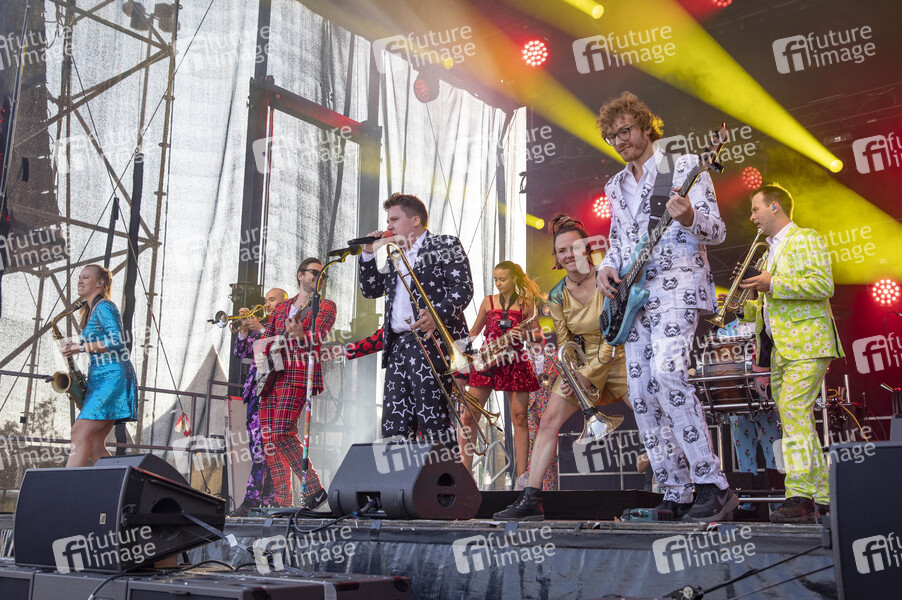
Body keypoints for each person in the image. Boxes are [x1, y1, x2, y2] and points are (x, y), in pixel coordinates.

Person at [595, 91, 738, 522]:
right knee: (640, 393)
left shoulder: (685, 166)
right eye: (611, 137)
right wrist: (606, 266)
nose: (619, 141)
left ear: (645, 126)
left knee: (668, 375)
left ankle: (713, 485)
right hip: (633, 297)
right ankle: (675, 490)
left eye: (625, 131)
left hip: (677, 288)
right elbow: (619, 239)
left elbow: (716, 231)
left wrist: (690, 217)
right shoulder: (614, 185)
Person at [493, 215, 629, 520]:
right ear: (556, 257)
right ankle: (531, 499)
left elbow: (614, 335)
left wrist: (585, 375)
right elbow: (566, 340)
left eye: (574, 248)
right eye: (562, 251)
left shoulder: (607, 278)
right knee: (547, 421)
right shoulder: (556, 295)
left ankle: (681, 488)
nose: (568, 255)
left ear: (587, 249)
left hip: (618, 357)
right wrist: (570, 373)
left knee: (650, 414)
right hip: (581, 365)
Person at [739, 183, 844, 523]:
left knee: (794, 410)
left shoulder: (804, 239)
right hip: (782, 349)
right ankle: (823, 496)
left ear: (775, 207)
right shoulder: (769, 252)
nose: (752, 217)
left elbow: (823, 284)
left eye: (756, 209)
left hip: (807, 342)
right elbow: (770, 307)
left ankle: (798, 495)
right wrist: (744, 309)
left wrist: (773, 283)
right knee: (794, 418)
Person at [359, 193, 474, 447]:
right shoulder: (395, 255)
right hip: (399, 345)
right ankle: (399, 472)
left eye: (394, 219)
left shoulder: (444, 244)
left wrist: (436, 315)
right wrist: (368, 253)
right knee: (394, 424)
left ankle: (442, 472)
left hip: (432, 340)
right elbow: (371, 289)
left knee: (433, 419)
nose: (388, 226)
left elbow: (463, 288)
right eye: (388, 221)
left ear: (415, 220)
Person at [257, 259, 336, 509]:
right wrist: (263, 363)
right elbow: (266, 338)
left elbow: (317, 338)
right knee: (269, 441)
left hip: (298, 374)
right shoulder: (281, 308)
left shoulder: (325, 305)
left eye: (323, 275)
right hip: (272, 377)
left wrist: (300, 335)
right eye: (314, 272)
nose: (319, 277)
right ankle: (282, 502)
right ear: (300, 275)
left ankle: (314, 490)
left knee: (282, 432)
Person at [461, 261, 543, 485]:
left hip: (515, 361)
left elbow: (539, 336)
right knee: (469, 416)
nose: (498, 283)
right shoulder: (488, 302)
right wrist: (458, 352)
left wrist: (525, 336)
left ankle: (521, 478)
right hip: (487, 360)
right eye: (495, 279)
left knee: (520, 418)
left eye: (502, 279)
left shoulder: (526, 304)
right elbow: (474, 331)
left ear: (514, 279)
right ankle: (466, 475)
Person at [62, 265, 138, 468]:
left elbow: (117, 341)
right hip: (101, 378)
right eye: (79, 277)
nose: (80, 281)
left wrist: (80, 347)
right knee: (95, 446)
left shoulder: (104, 306)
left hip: (112, 377)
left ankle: (66, 484)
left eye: (86, 277)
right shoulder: (93, 310)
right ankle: (122, 483)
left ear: (99, 283)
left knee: (79, 432)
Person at [229, 288, 288, 516]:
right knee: (257, 448)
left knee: (269, 448)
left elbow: (281, 354)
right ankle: (264, 500)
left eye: (272, 300)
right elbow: (240, 352)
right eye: (266, 300)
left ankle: (256, 499)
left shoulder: (285, 325)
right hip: (256, 392)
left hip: (275, 392)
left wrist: (261, 330)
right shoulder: (260, 327)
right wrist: (244, 331)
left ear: (284, 303)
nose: (267, 304)